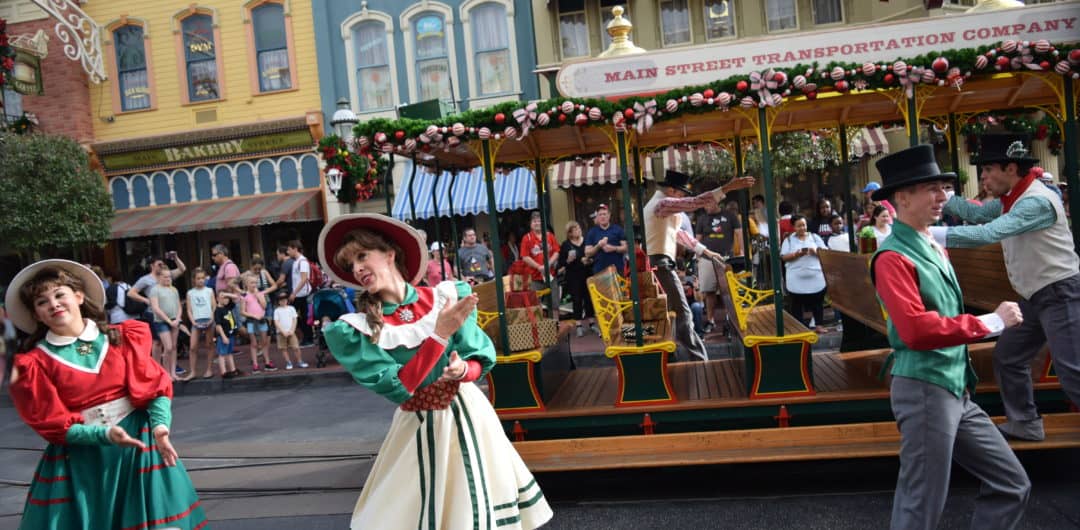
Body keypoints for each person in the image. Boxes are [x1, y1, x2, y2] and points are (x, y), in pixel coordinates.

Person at [317, 214, 553, 529]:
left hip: (470, 417)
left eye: (362, 256)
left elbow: (478, 359)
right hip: (419, 425)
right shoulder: (356, 329)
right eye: (351, 265)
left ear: (389, 255)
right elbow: (399, 387)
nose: (357, 268)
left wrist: (461, 369)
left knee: (475, 510)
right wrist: (438, 335)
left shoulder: (444, 296)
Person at [869, 145, 1030, 530]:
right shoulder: (892, 257)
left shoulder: (931, 245)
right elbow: (915, 329)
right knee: (920, 507)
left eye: (943, 187)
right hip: (925, 388)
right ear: (901, 197)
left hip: (952, 387)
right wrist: (991, 322)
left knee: (1012, 483)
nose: (942, 196)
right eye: (931, 188)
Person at [5, 260, 207, 529]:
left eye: (59, 294)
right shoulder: (33, 363)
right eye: (42, 302)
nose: (53, 304)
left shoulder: (123, 338)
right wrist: (104, 435)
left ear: (78, 297)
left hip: (140, 446)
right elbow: (53, 425)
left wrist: (160, 427)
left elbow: (155, 387)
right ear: (36, 314)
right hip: (83, 459)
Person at [932, 133, 1080, 442]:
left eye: (987, 170)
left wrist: (926, 235)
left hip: (1059, 293)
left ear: (1010, 168)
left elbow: (987, 233)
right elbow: (976, 213)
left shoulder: (1036, 201)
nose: (982, 177)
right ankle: (1025, 422)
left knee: (1072, 373)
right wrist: (938, 196)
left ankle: (1025, 421)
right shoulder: (1012, 197)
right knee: (1009, 357)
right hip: (1035, 296)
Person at [643, 169, 755, 361]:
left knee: (675, 314)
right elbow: (694, 203)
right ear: (671, 190)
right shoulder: (662, 204)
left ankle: (672, 357)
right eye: (680, 194)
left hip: (661, 264)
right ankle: (700, 360)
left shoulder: (661, 206)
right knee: (683, 313)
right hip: (660, 264)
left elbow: (681, 235)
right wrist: (727, 187)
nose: (682, 198)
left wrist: (707, 253)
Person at [695, 200, 741, 334]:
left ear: (716, 203)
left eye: (708, 204)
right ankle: (710, 320)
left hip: (726, 257)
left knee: (727, 291)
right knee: (709, 291)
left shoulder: (730, 216)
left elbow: (739, 233)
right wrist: (697, 256)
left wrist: (742, 252)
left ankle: (730, 320)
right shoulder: (702, 218)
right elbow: (697, 239)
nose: (706, 207)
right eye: (704, 204)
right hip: (706, 258)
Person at [780, 214, 829, 332]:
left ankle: (819, 325)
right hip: (796, 278)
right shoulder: (789, 240)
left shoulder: (815, 237)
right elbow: (783, 257)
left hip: (816, 277)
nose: (802, 228)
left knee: (817, 302)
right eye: (799, 226)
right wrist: (796, 254)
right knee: (797, 304)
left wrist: (815, 252)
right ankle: (799, 327)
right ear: (793, 227)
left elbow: (825, 253)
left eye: (804, 225)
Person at [520, 211, 561, 311]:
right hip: (534, 278)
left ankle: (555, 325)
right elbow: (525, 256)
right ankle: (538, 326)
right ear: (531, 224)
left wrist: (548, 264)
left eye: (539, 221)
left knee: (555, 305)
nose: (537, 223)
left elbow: (557, 251)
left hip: (550, 276)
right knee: (534, 306)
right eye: (534, 221)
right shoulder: (527, 238)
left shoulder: (550, 236)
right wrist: (539, 267)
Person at [559, 220, 594, 336]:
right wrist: (569, 260)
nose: (578, 230)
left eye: (578, 228)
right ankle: (578, 325)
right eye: (575, 229)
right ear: (569, 233)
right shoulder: (565, 245)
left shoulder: (587, 241)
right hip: (573, 276)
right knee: (577, 300)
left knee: (589, 299)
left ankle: (592, 323)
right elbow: (561, 263)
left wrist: (589, 260)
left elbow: (594, 255)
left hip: (587, 274)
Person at [148, 268, 183, 382]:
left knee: (173, 347)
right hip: (162, 321)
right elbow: (156, 308)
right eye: (165, 276)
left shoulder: (174, 289)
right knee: (167, 347)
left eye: (169, 276)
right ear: (159, 277)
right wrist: (169, 321)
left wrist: (177, 319)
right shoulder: (155, 290)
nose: (168, 279)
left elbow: (179, 306)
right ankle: (166, 373)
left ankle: (173, 372)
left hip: (175, 320)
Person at [240, 272, 278, 373]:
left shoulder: (260, 293)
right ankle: (255, 364)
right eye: (252, 283)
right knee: (254, 343)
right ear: (247, 284)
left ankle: (267, 362)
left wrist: (258, 295)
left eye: (255, 283)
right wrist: (253, 315)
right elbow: (242, 311)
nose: (254, 285)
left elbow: (264, 306)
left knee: (264, 342)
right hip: (251, 321)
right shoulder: (244, 295)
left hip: (261, 320)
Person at [185, 267, 216, 380]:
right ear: (194, 279)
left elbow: (214, 306)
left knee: (209, 345)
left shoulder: (209, 290)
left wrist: (211, 318)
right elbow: (189, 309)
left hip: (209, 319)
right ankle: (192, 371)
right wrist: (193, 322)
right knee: (193, 347)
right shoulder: (190, 293)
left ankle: (209, 369)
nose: (201, 280)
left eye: (203, 278)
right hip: (196, 321)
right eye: (198, 278)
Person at [583, 204, 627, 276]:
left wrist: (613, 248)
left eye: (604, 214)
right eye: (600, 214)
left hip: (617, 271)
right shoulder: (592, 232)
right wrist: (598, 246)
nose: (602, 216)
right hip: (599, 272)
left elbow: (626, 248)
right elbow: (587, 253)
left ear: (609, 215)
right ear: (597, 217)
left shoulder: (618, 229)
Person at [286, 240, 315, 346]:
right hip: (300, 293)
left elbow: (303, 279)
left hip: (302, 294)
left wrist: (294, 293)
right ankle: (307, 338)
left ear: (295, 249)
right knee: (302, 316)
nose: (288, 252)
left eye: (289, 249)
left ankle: (308, 339)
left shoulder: (302, 262)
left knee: (293, 314)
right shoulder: (297, 261)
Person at [272, 291, 307, 370]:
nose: (283, 301)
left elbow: (294, 319)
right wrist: (283, 331)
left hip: (291, 332)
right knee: (283, 348)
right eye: (281, 300)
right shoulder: (277, 311)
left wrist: (292, 330)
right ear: (278, 301)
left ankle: (300, 361)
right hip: (281, 333)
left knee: (296, 347)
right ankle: (288, 362)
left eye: (284, 299)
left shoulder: (291, 308)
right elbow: (276, 322)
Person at [214, 290, 242, 378]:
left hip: (230, 335)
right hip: (224, 336)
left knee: (229, 353)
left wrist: (226, 294)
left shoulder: (228, 307)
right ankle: (224, 372)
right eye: (224, 298)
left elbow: (237, 297)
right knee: (222, 354)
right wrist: (223, 336)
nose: (226, 300)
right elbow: (218, 325)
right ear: (217, 299)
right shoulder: (218, 311)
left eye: (227, 298)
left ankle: (233, 370)